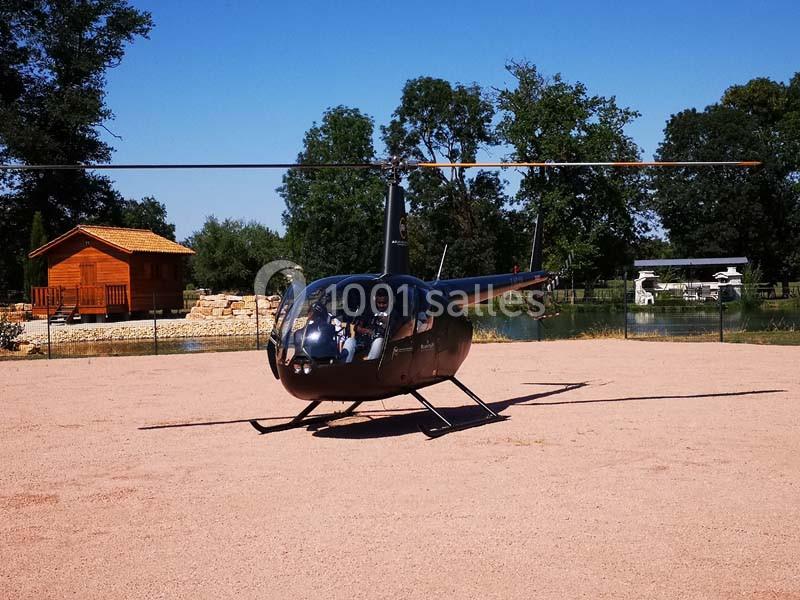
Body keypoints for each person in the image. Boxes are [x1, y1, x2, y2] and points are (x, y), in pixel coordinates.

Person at [341, 288, 390, 363]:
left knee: (379, 341)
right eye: (379, 303)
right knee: (349, 341)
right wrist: (364, 330)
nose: (381, 305)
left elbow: (396, 330)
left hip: (383, 344)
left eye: (384, 303)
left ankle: (369, 366)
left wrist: (387, 322)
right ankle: (344, 367)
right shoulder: (369, 313)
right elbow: (357, 325)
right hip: (365, 341)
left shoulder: (393, 315)